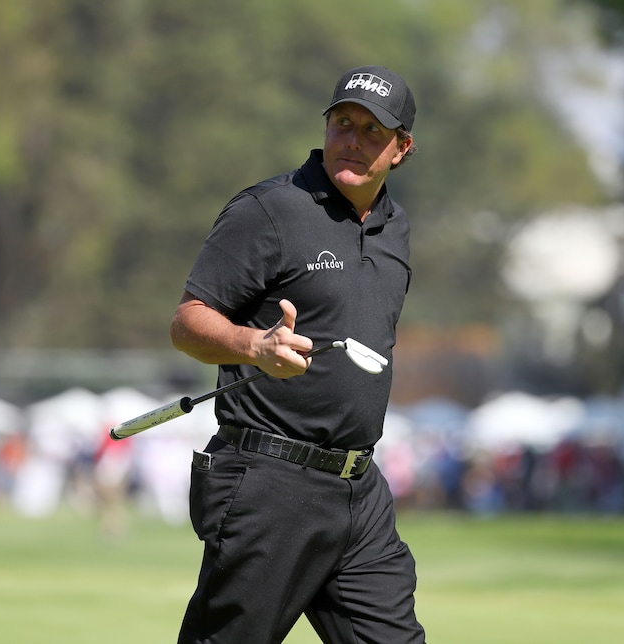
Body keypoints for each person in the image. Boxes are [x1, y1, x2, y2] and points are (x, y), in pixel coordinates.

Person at [170, 65, 425, 643]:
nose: (352, 140)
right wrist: (253, 346)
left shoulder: (397, 229)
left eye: (371, 130)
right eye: (343, 123)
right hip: (270, 483)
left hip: (359, 491)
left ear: (401, 149)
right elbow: (187, 323)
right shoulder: (270, 210)